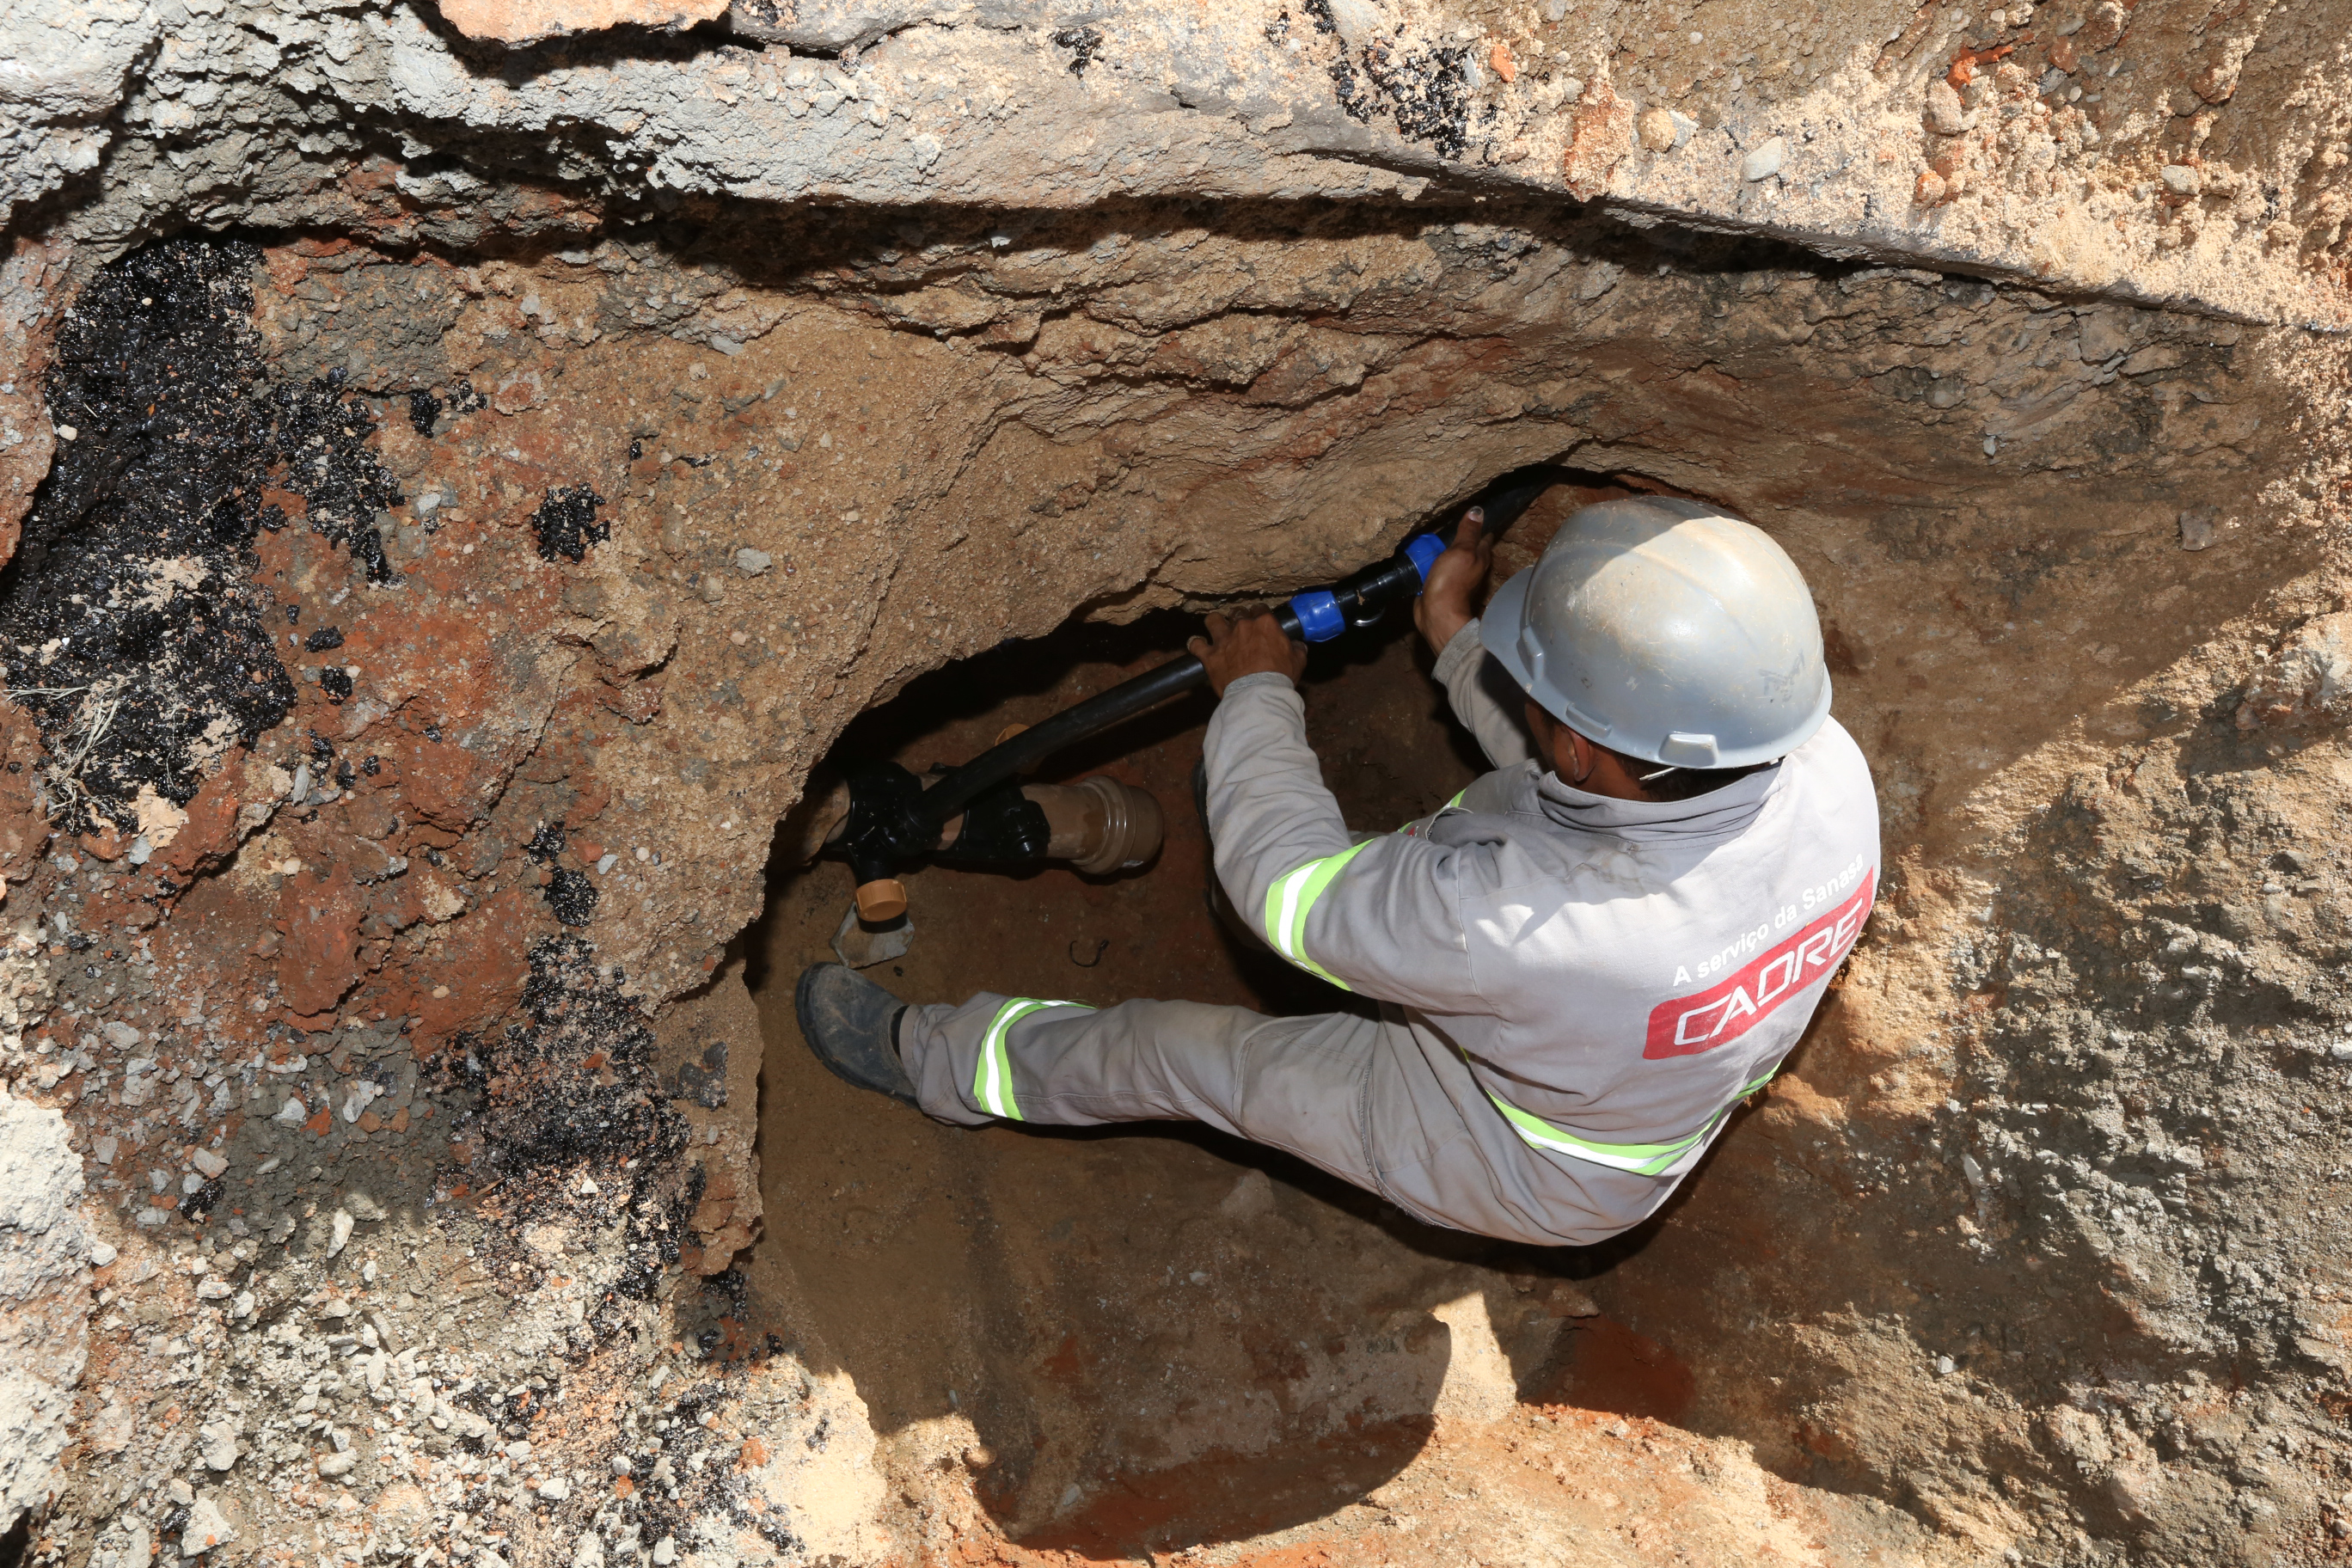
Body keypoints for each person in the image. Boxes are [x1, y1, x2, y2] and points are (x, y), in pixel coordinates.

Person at [794, 495, 1880, 1246]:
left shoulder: (1513, 923)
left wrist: (1259, 689)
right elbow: (1600, 784)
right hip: (1597, 1054)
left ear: (1586, 741)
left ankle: (937, 1060)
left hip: (1509, 1154)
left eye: (1541, 696)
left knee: (1173, 1052)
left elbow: (1284, 892)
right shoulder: (1822, 773)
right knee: (1524, 826)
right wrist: (1455, 631)